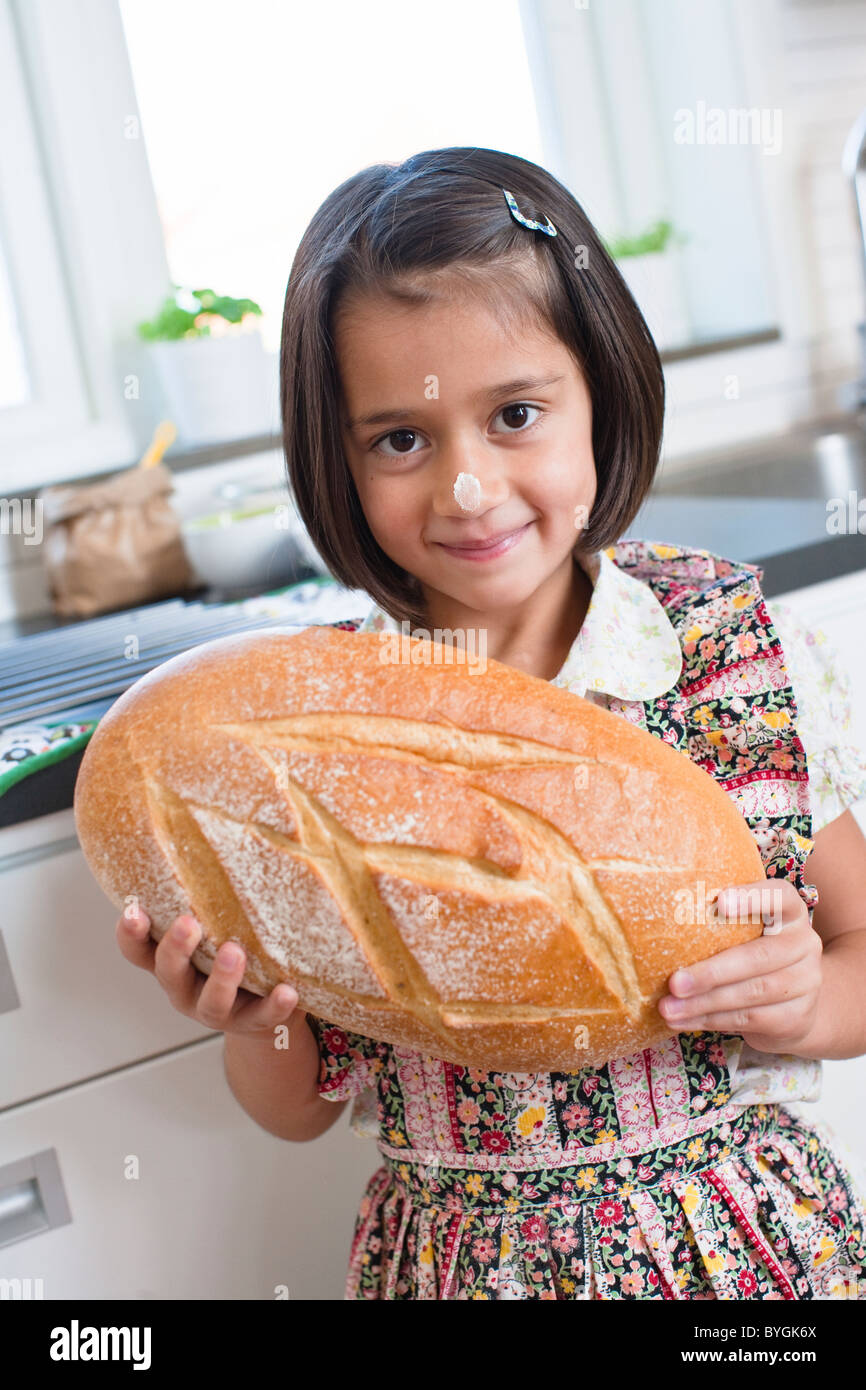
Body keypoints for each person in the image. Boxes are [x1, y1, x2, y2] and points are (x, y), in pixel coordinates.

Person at [117, 147, 866, 1300]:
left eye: (513, 413)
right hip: (463, 1268)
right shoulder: (320, 734)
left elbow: (858, 945)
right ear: (339, 458)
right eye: (400, 440)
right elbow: (294, 1115)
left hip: (729, 1255)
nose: (465, 488)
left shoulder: (718, 650)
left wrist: (810, 1000)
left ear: (598, 395)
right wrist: (249, 1019)